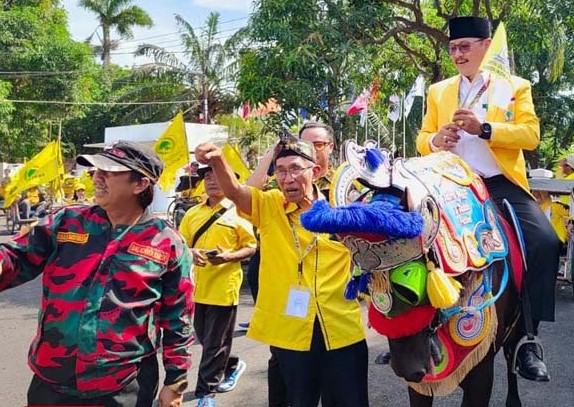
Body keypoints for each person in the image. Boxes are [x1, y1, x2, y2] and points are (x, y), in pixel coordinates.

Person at [415, 16, 560, 382]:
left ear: (485, 46)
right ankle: (409, 333)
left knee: (544, 241)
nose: (457, 54)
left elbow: (530, 135)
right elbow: (423, 136)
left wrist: (485, 129)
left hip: (498, 183)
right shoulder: (438, 91)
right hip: (448, 184)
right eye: (452, 48)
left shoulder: (514, 86)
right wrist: (436, 141)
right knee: (408, 240)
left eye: (465, 46)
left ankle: (528, 339)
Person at [0, 140, 195, 407]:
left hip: (123, 386)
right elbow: (15, 258)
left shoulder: (167, 243)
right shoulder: (66, 222)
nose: (96, 177)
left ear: (140, 184)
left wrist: (176, 382)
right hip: (52, 380)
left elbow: (178, 319)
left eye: (109, 171)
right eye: (95, 170)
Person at [195, 137, 369, 407]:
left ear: (316, 171)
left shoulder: (342, 207)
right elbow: (236, 192)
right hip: (292, 331)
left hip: (341, 327)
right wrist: (218, 159)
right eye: (281, 171)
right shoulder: (270, 206)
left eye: (296, 169)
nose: (288, 178)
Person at [178, 165, 257, 407]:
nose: (212, 181)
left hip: (225, 288)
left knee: (214, 343)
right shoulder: (193, 214)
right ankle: (232, 364)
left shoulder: (239, 213)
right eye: (207, 177)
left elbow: (251, 246)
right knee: (206, 339)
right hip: (197, 288)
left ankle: (206, 394)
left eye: (217, 176)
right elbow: (179, 245)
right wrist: (190, 252)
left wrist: (229, 257)